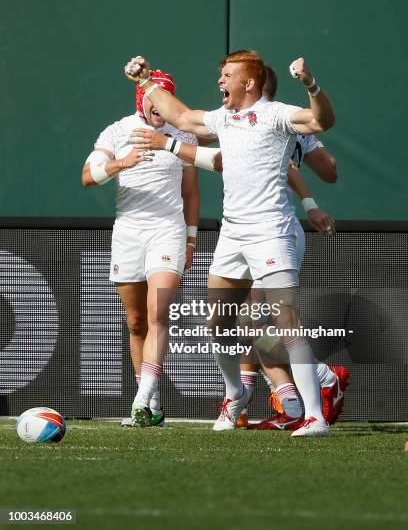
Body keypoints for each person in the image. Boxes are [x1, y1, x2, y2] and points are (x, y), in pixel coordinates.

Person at [124, 50, 335, 437]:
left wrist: (310, 84)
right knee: (218, 323)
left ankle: (315, 417)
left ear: (249, 83)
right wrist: (146, 81)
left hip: (272, 229)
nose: (220, 81)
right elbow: (182, 117)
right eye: (220, 74)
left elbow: (321, 119)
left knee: (284, 318)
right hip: (233, 233)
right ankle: (235, 392)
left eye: (227, 75)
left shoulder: (276, 114)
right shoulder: (224, 119)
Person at [82, 69, 200, 428]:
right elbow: (88, 177)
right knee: (135, 323)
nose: (160, 105)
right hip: (128, 233)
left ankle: (141, 400)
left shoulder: (184, 132)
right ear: (142, 100)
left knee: (157, 314)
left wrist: (191, 238)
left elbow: (191, 192)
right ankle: (154, 405)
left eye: (166, 96)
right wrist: (121, 163)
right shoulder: (117, 130)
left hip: (168, 231)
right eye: (154, 97)